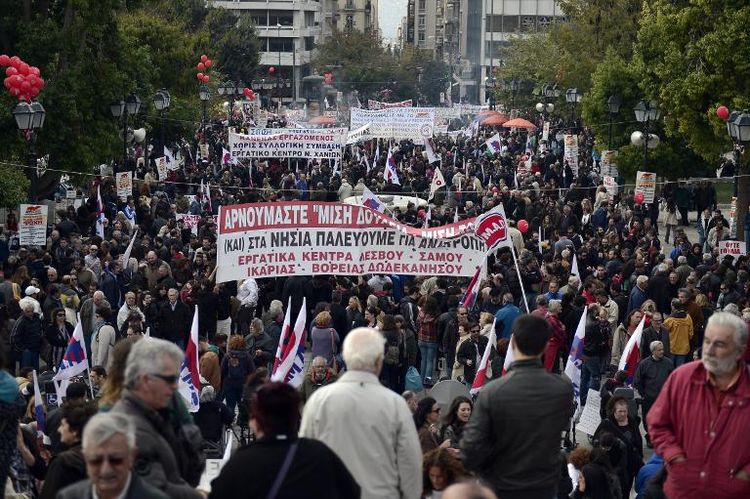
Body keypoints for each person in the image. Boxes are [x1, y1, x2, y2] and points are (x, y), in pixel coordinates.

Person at [299, 327, 422, 499]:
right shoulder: (395, 405)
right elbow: (411, 465)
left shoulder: (319, 401)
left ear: (347, 359)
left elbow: (305, 459)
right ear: (379, 361)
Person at [461, 314, 574, 499]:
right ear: (546, 345)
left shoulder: (492, 392)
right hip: (543, 488)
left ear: (513, 344)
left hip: (501, 487)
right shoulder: (562, 389)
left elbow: (470, 451)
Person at [648, 312, 750, 498]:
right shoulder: (682, 378)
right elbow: (657, 423)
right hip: (684, 492)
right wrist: (674, 456)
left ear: (739, 350)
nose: (709, 351)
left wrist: (744, 476)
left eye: (719, 344)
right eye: (707, 341)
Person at [210, 382, 359, 498]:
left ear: (256, 422)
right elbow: (352, 492)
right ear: (296, 416)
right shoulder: (321, 454)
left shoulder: (240, 463)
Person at [109, 338, 204, 498]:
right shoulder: (133, 429)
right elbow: (153, 490)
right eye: (170, 379)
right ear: (145, 379)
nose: (176, 386)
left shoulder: (156, 414)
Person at [55, 412, 169, 499]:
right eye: (96, 460)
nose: (106, 470)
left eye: (116, 460)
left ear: (132, 456)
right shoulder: (67, 497)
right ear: (85, 457)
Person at [38, 399, 98, 499]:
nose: (59, 429)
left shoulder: (63, 463)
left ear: (74, 430)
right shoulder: (103, 456)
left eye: (63, 425)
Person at [594, 396, 644, 498]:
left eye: (625, 411)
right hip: (613, 467)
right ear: (614, 411)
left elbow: (638, 441)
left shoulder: (632, 422)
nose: (623, 414)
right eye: (620, 411)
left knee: (626, 491)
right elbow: (596, 441)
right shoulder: (606, 424)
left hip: (629, 467)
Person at [633, 341, 674, 447]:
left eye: (662, 349)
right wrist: (643, 394)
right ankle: (650, 437)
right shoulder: (644, 364)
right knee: (648, 418)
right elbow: (637, 381)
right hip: (649, 398)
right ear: (653, 351)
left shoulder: (668, 363)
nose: (662, 352)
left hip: (664, 398)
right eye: (659, 350)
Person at [221, 335, 255, 414]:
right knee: (242, 405)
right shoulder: (247, 356)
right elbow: (252, 371)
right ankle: (242, 423)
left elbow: (222, 370)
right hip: (243, 384)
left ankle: (229, 422)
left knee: (230, 405)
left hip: (229, 384)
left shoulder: (227, 356)